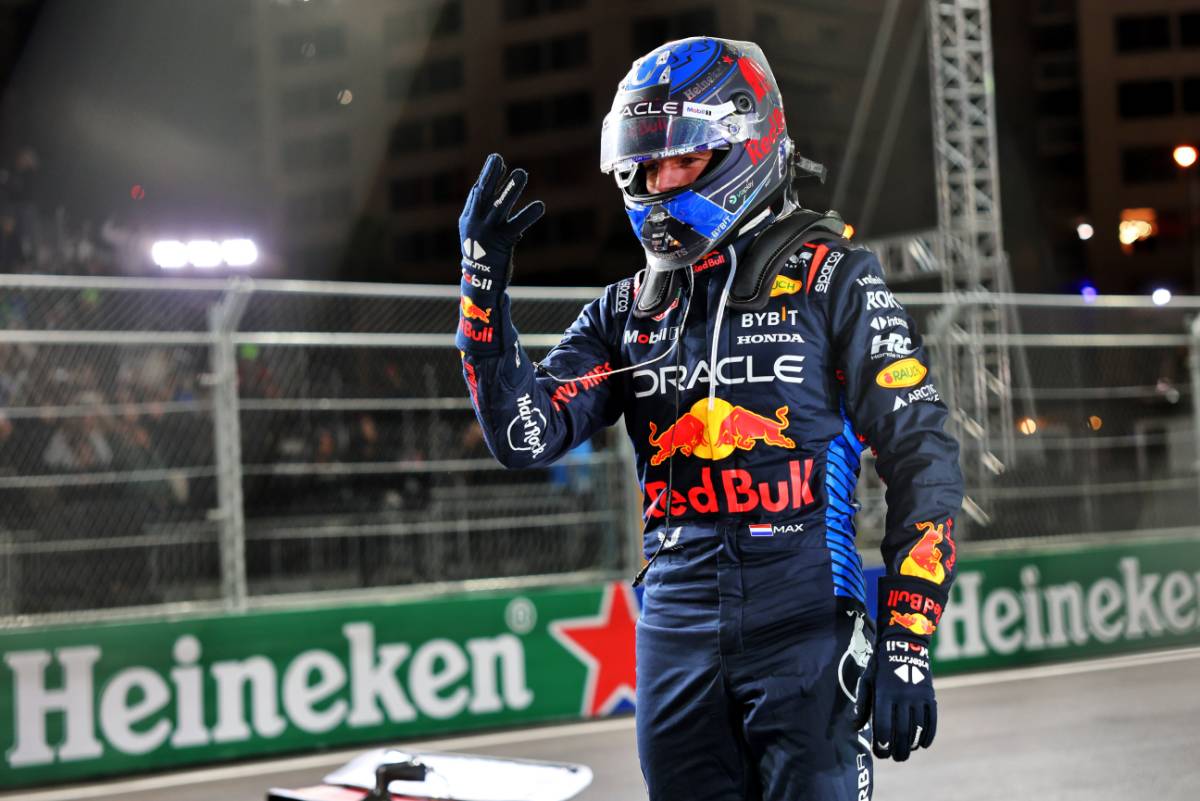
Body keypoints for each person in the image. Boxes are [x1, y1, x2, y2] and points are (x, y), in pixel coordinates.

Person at [455, 36, 962, 801]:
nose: (656, 187)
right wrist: (482, 303)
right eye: (642, 167)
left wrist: (909, 637)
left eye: (679, 163)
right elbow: (525, 437)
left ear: (744, 144)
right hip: (674, 638)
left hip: (806, 626)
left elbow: (922, 456)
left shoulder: (836, 280)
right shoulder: (626, 310)